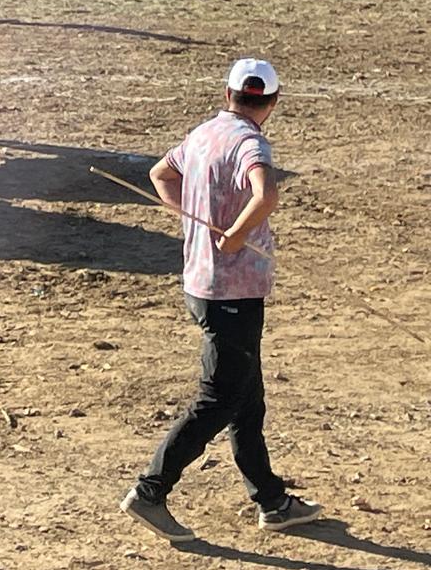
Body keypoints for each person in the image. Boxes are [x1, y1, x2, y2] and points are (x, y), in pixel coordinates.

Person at [122, 59, 323, 543]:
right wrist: (233, 235)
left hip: (201, 285)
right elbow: (266, 194)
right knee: (220, 398)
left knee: (246, 396)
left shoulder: (202, 134)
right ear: (271, 102)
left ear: (228, 93)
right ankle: (150, 491)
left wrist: (193, 219)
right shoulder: (251, 142)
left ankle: (272, 501)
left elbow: (160, 174)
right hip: (232, 293)